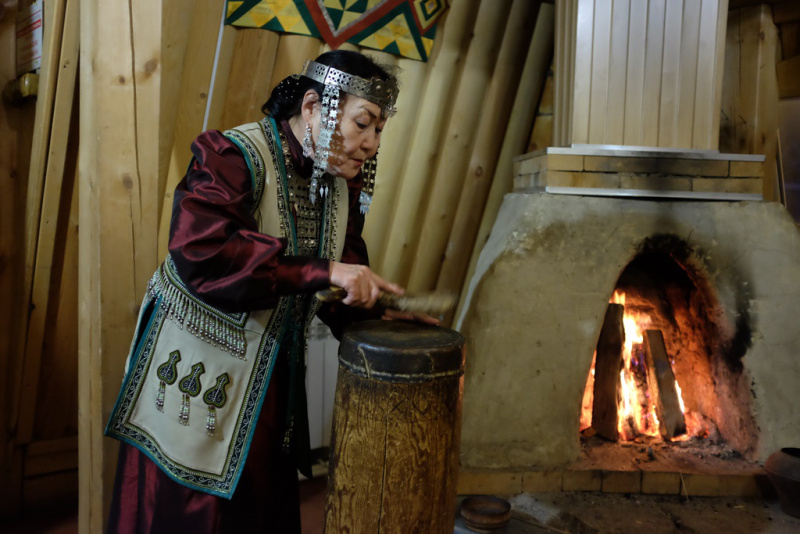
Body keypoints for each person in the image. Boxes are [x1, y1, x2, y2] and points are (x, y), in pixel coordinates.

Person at [104, 50, 436, 533]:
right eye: (363, 123)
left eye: (379, 130)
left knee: (260, 495)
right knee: (194, 505)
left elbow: (341, 273)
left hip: (269, 367)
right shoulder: (233, 156)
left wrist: (375, 316)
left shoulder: (340, 183)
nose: (370, 143)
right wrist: (323, 271)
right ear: (311, 107)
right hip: (200, 358)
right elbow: (204, 253)